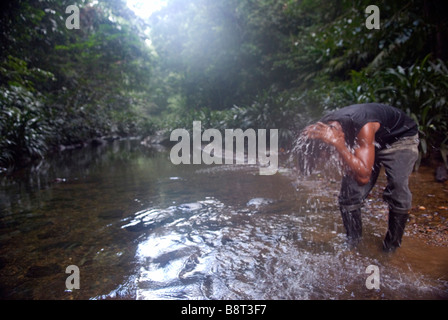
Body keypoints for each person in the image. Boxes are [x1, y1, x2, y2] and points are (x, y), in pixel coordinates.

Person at [303, 103, 419, 251]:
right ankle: (353, 244)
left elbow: (363, 177)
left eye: (330, 147)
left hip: (399, 138)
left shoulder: (362, 126)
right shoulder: (324, 126)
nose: (329, 153)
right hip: (368, 142)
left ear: (338, 136)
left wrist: (339, 146)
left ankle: (391, 248)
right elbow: (307, 165)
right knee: (349, 193)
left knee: (398, 187)